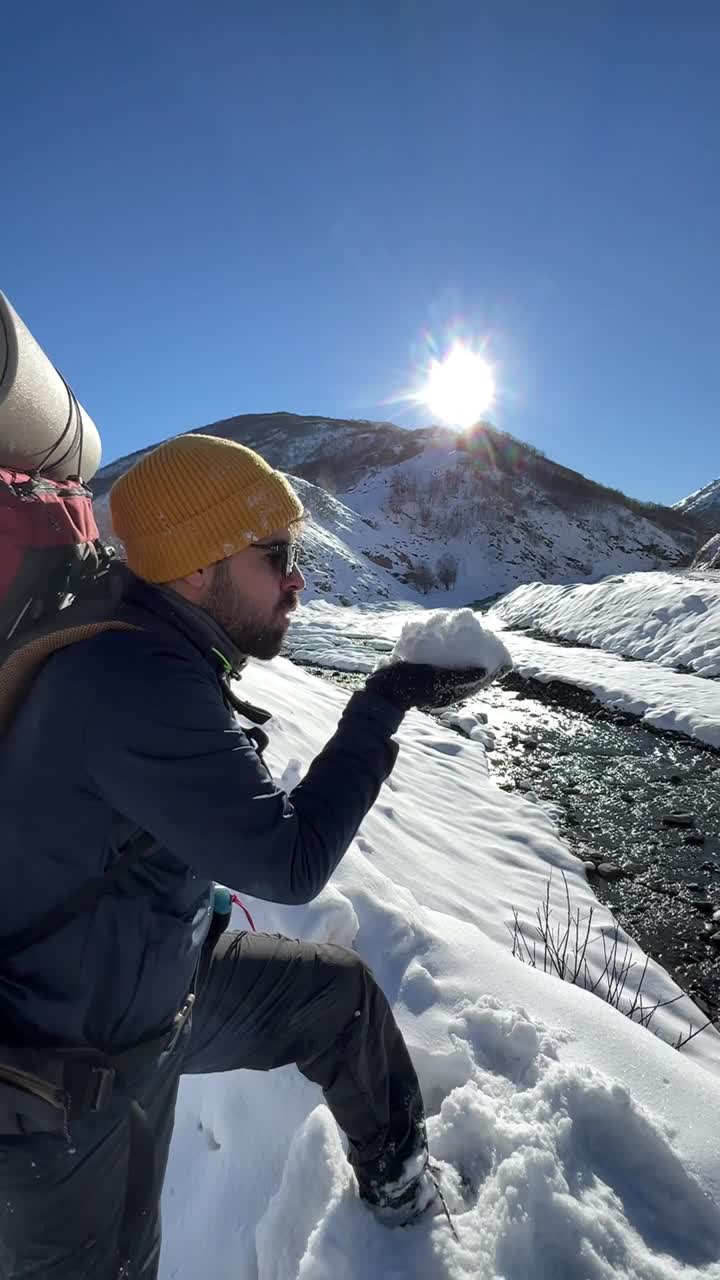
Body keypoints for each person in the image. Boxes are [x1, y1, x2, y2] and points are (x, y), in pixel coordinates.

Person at [0, 433, 487, 1278]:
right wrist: (383, 701)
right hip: (60, 1080)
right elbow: (289, 863)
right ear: (193, 570)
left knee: (338, 999)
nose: (297, 576)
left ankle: (402, 1196)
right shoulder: (135, 684)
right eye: (276, 554)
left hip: (152, 996)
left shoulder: (147, 645)